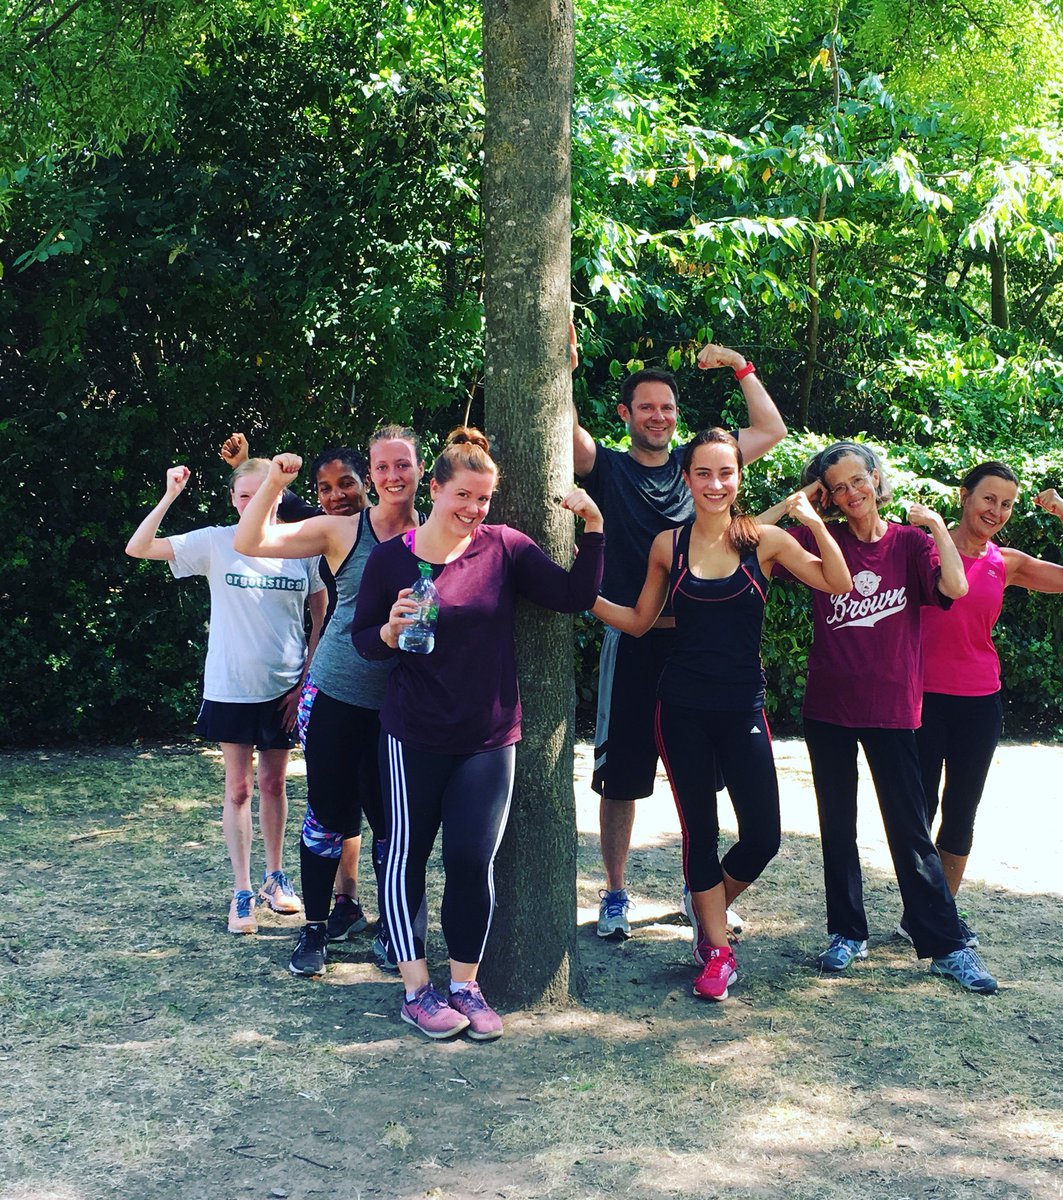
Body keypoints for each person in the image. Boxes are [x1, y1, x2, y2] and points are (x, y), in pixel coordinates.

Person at [351, 427, 605, 1040]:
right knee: (404, 858)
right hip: (413, 735)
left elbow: (574, 595)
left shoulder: (504, 548)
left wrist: (594, 526)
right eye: (463, 495)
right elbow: (362, 641)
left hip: (490, 739)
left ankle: (464, 983)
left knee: (471, 861)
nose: (472, 509)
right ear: (433, 489)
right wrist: (388, 632)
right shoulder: (392, 558)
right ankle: (416, 990)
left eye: (483, 499)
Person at [592, 429, 851, 1000]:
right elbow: (638, 621)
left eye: (725, 473)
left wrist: (812, 522)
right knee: (700, 834)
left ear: (739, 478)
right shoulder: (669, 545)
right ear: (687, 480)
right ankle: (716, 949)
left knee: (762, 837)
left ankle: (707, 908)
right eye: (703, 474)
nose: (715, 484)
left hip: (743, 709)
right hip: (679, 708)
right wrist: (577, 591)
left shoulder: (766, 541)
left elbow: (838, 582)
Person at [572, 335, 787, 939]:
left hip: (701, 642)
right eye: (646, 407)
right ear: (625, 414)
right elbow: (568, 436)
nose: (658, 416)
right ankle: (615, 893)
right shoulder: (608, 466)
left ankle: (706, 898)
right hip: (637, 639)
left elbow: (769, 430)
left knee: (707, 782)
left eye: (666, 407)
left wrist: (739, 366)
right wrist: (563, 371)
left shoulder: (698, 467)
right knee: (622, 774)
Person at [765, 441, 1000, 994]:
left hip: (894, 709)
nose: (850, 494)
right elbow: (751, 535)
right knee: (837, 825)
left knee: (910, 830)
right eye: (837, 487)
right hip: (830, 708)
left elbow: (957, 585)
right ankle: (847, 932)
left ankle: (944, 944)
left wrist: (938, 527)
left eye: (856, 481)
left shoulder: (910, 544)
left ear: (875, 477)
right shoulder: (818, 539)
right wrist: (802, 502)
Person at [234, 427, 425, 977]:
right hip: (339, 692)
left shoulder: (438, 529)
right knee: (327, 818)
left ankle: (395, 931)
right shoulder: (343, 530)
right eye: (382, 467)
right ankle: (314, 928)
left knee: (395, 826)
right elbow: (250, 542)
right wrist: (272, 479)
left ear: (418, 471)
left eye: (402, 466)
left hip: (405, 706)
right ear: (374, 473)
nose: (392, 476)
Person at [126, 459, 327, 933]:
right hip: (231, 689)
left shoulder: (302, 547)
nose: (252, 503)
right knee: (238, 789)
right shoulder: (217, 541)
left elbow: (320, 617)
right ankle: (241, 893)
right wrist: (170, 495)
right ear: (233, 499)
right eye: (243, 495)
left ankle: (275, 880)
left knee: (275, 786)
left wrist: (304, 681)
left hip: (284, 690)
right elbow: (138, 548)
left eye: (263, 494)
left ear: (278, 495)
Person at [909, 463, 1063, 944]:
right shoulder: (919, 546)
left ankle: (940, 915)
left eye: (1007, 504)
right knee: (917, 808)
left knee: (962, 808)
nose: (997, 511)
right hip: (920, 699)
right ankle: (921, 909)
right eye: (989, 499)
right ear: (965, 496)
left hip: (980, 702)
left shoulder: (1005, 561)